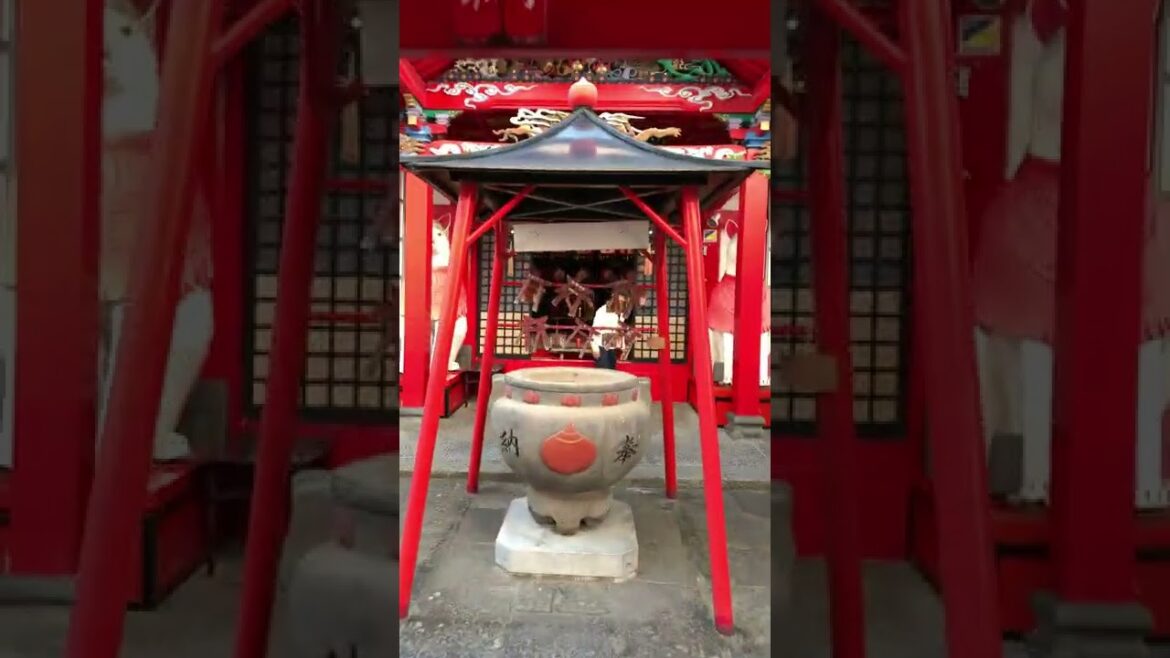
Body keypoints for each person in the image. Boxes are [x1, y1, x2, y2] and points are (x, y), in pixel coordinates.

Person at [591, 293, 630, 369]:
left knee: (612, 371)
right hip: (601, 346)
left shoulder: (620, 313)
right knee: (604, 371)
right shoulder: (602, 311)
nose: (620, 303)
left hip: (612, 347)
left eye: (622, 301)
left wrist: (623, 345)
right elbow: (594, 330)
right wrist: (594, 348)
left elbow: (619, 329)